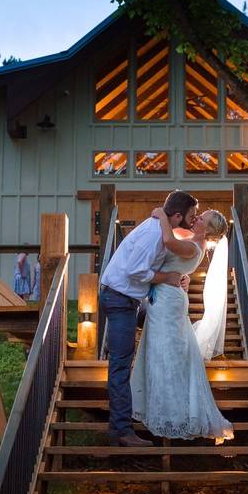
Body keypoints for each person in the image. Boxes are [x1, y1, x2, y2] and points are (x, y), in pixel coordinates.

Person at [99, 190, 198, 447]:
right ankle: (122, 431)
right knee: (120, 365)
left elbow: (158, 263)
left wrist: (179, 276)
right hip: (119, 300)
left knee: (162, 332)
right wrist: (167, 278)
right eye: (191, 215)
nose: (194, 219)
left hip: (130, 300)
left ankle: (163, 401)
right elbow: (135, 270)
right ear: (177, 216)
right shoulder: (154, 234)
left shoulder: (160, 228)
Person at [130, 207, 233, 444]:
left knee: (166, 355)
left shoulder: (193, 246)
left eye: (201, 219)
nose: (196, 218)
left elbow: (167, 239)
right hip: (167, 297)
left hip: (168, 303)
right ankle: (165, 409)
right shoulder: (193, 243)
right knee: (163, 353)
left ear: (207, 229)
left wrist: (161, 214)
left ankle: (172, 416)